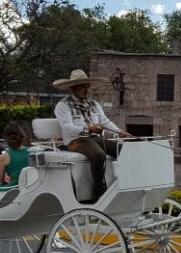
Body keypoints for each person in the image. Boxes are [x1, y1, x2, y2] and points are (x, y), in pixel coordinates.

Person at [52, 69, 130, 202]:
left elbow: (105, 121)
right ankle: (99, 192)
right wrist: (89, 130)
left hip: (94, 139)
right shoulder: (63, 106)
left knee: (124, 150)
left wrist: (120, 132)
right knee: (98, 155)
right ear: (73, 88)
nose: (87, 90)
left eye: (87, 86)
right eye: (83, 86)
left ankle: (123, 185)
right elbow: (67, 128)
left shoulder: (93, 104)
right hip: (75, 141)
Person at [0, 123, 30, 188]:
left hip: (15, 189)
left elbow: (0, 180)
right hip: (33, 187)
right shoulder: (31, 152)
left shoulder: (4, 157)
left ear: (5, 138)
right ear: (22, 136)